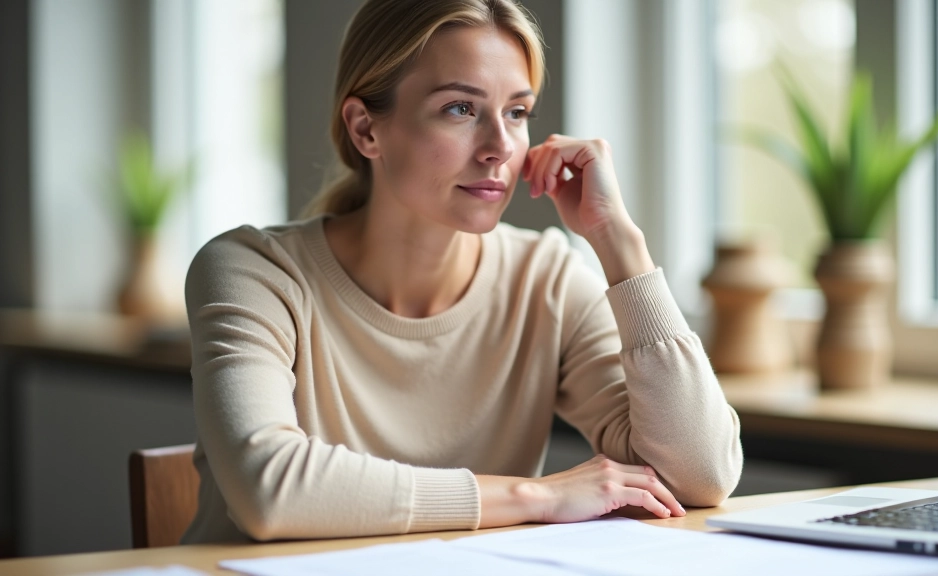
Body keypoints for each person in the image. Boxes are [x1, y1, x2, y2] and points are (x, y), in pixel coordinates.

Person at [180, 0, 743, 544]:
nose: (500, 147)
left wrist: (618, 241)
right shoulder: (254, 272)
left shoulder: (544, 281)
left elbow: (702, 475)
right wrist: (535, 496)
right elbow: (270, 490)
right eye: (460, 109)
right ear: (365, 129)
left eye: (517, 113)